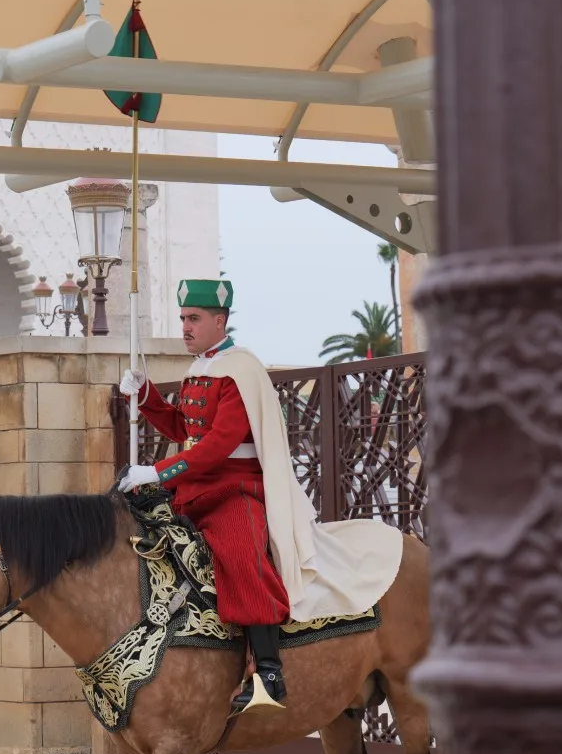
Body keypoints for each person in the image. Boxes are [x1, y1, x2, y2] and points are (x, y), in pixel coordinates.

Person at [117, 278, 402, 716]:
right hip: (195, 489)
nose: (186, 327)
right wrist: (147, 396)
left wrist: (156, 470)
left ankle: (268, 669)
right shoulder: (201, 369)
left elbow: (217, 444)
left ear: (220, 320)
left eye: (193, 319)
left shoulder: (240, 369)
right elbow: (182, 429)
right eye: (182, 319)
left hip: (235, 488)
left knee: (239, 552)